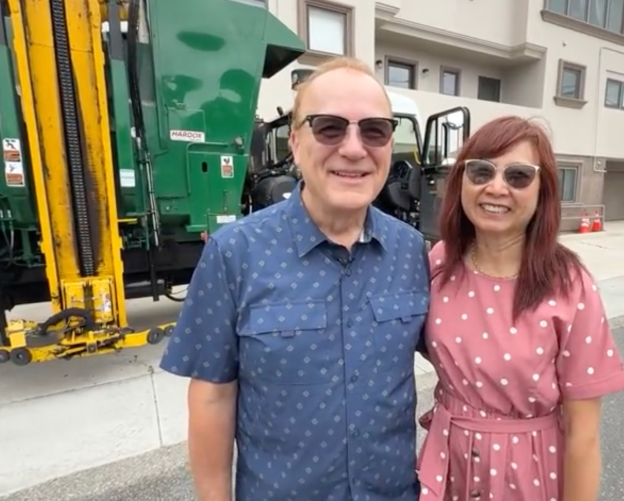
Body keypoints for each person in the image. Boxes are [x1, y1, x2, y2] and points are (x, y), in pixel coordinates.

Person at [159, 57, 430, 501]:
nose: (354, 148)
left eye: (375, 130)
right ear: (296, 142)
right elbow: (211, 397)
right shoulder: (234, 253)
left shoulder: (410, 251)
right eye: (330, 128)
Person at [416, 116, 624, 501]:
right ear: (460, 182)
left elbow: (584, 436)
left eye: (518, 176)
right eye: (480, 171)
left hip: (528, 472)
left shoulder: (569, 284)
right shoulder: (440, 261)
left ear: (542, 191)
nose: (496, 188)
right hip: (448, 461)